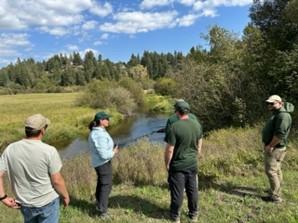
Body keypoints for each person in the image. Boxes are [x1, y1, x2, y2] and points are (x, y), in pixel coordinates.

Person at [0, 114, 69, 223]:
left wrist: (3, 198)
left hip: (25, 204)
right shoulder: (49, 151)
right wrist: (65, 196)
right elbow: (57, 181)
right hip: (48, 202)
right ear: (42, 130)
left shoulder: (10, 149)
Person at [164, 100, 203, 223]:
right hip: (192, 164)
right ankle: (194, 214)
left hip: (178, 166)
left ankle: (175, 216)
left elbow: (170, 150)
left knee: (177, 192)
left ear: (177, 112)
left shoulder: (174, 127)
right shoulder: (196, 124)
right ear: (188, 111)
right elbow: (200, 138)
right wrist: (198, 152)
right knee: (192, 190)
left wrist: (167, 164)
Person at [262, 95, 294, 203]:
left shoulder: (283, 116)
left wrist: (270, 146)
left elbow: (280, 134)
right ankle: (276, 189)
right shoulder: (277, 114)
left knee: (271, 171)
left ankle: (275, 196)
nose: (269, 105)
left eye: (272, 103)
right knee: (277, 170)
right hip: (276, 147)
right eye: (268, 103)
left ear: (280, 103)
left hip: (275, 148)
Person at [88, 111, 119, 218]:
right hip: (102, 164)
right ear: (101, 121)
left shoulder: (100, 131)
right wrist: (113, 152)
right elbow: (104, 155)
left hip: (101, 163)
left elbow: (103, 149)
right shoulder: (98, 134)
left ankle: (98, 203)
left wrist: (111, 148)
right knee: (106, 186)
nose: (108, 120)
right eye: (107, 119)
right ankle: (102, 211)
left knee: (102, 183)